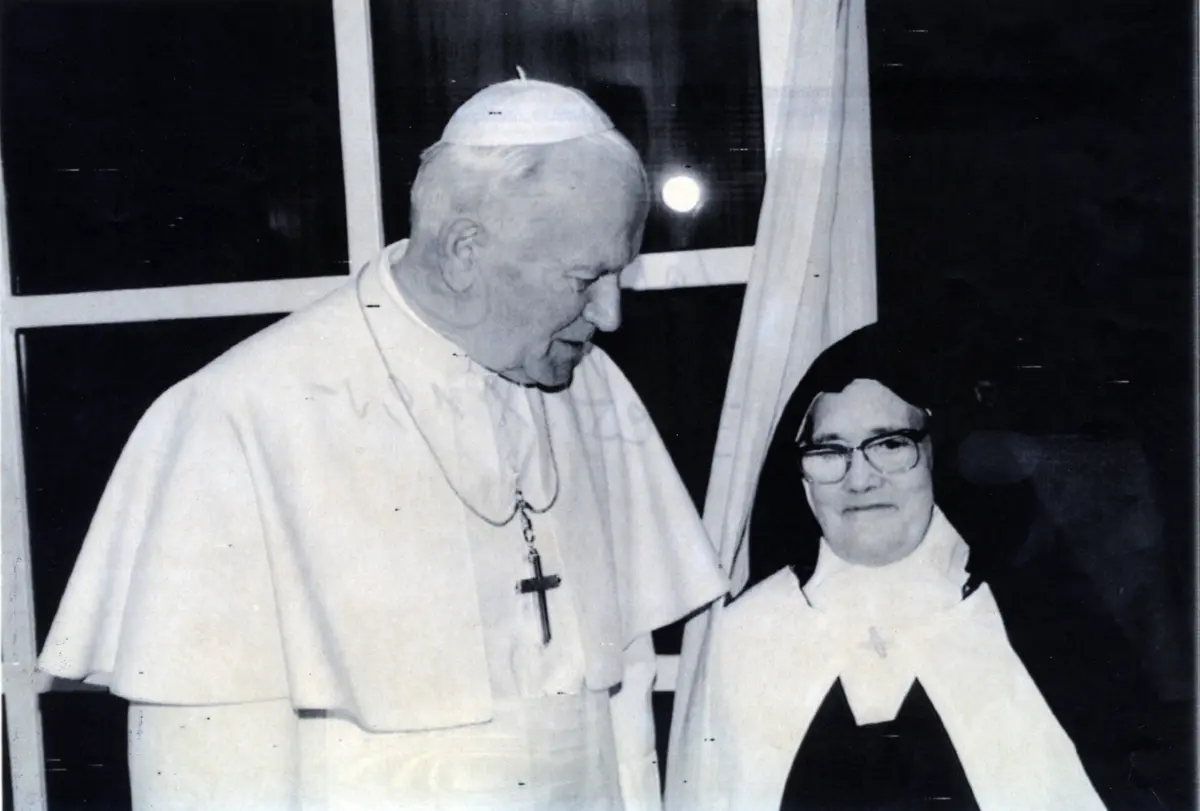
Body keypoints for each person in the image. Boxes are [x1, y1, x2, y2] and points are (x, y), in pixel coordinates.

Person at [39, 76, 728, 811]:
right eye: (586, 278)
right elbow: (203, 776)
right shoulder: (240, 418)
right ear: (464, 249)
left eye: (619, 275)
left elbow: (623, 710)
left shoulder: (595, 391)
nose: (611, 315)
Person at [664, 319, 1176, 811]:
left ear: (936, 454)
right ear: (801, 474)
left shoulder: (1032, 620)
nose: (860, 479)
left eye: (890, 444)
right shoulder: (749, 633)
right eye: (829, 451)